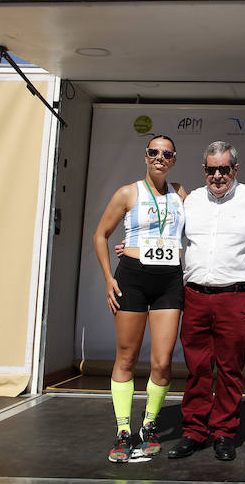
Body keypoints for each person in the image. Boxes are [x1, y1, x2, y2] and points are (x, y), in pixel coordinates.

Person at [167, 141, 245, 462]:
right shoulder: (191, 200)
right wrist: (134, 246)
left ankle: (223, 432)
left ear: (235, 169)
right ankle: (194, 431)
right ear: (204, 170)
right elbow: (166, 234)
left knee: (229, 368)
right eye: (212, 170)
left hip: (235, 298)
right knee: (196, 369)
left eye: (224, 169)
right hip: (195, 296)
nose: (218, 176)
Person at [93, 135, 187, 463]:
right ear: (145, 157)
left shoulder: (181, 193)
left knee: (162, 361)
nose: (160, 157)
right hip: (132, 277)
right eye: (153, 152)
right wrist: (108, 279)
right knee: (127, 357)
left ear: (173, 159)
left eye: (166, 153)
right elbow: (101, 235)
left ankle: (148, 427)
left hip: (169, 282)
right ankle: (122, 430)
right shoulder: (127, 192)